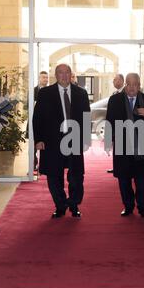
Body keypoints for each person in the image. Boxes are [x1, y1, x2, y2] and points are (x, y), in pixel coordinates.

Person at [33, 64, 90, 218]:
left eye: (67, 73)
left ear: (71, 74)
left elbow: (86, 117)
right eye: (60, 73)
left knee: (76, 176)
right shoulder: (45, 93)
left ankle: (73, 205)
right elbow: (37, 118)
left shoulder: (81, 93)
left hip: (74, 139)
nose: (64, 76)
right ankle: (60, 206)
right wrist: (38, 139)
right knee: (54, 175)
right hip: (52, 141)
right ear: (55, 75)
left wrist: (86, 139)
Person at [105, 73, 144, 217]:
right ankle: (128, 206)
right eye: (129, 84)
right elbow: (109, 120)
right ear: (125, 85)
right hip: (121, 144)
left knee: (141, 178)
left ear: (139, 85)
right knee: (123, 178)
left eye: (135, 84)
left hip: (141, 145)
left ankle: (142, 207)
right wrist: (109, 141)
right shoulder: (115, 100)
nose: (132, 87)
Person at [107, 74, 125, 173]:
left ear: (122, 81)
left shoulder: (126, 93)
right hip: (115, 126)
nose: (114, 82)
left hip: (123, 127)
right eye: (113, 80)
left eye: (116, 80)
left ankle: (121, 168)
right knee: (116, 149)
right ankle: (116, 168)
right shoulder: (114, 93)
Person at [32, 71, 49, 173]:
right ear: (39, 78)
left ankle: (44, 166)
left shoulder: (50, 91)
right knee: (34, 145)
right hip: (35, 120)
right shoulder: (33, 90)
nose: (45, 80)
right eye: (43, 77)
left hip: (46, 123)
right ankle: (33, 165)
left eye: (47, 78)